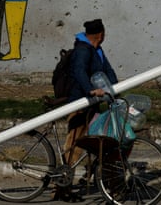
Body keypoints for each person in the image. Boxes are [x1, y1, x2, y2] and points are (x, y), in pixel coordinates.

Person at [55, 19, 118, 201]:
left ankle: (105, 181)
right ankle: (62, 189)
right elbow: (79, 71)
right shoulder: (83, 50)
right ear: (100, 34)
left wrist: (115, 89)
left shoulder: (97, 50)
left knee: (97, 143)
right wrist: (91, 90)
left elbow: (108, 71)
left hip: (92, 104)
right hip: (80, 104)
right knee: (73, 146)